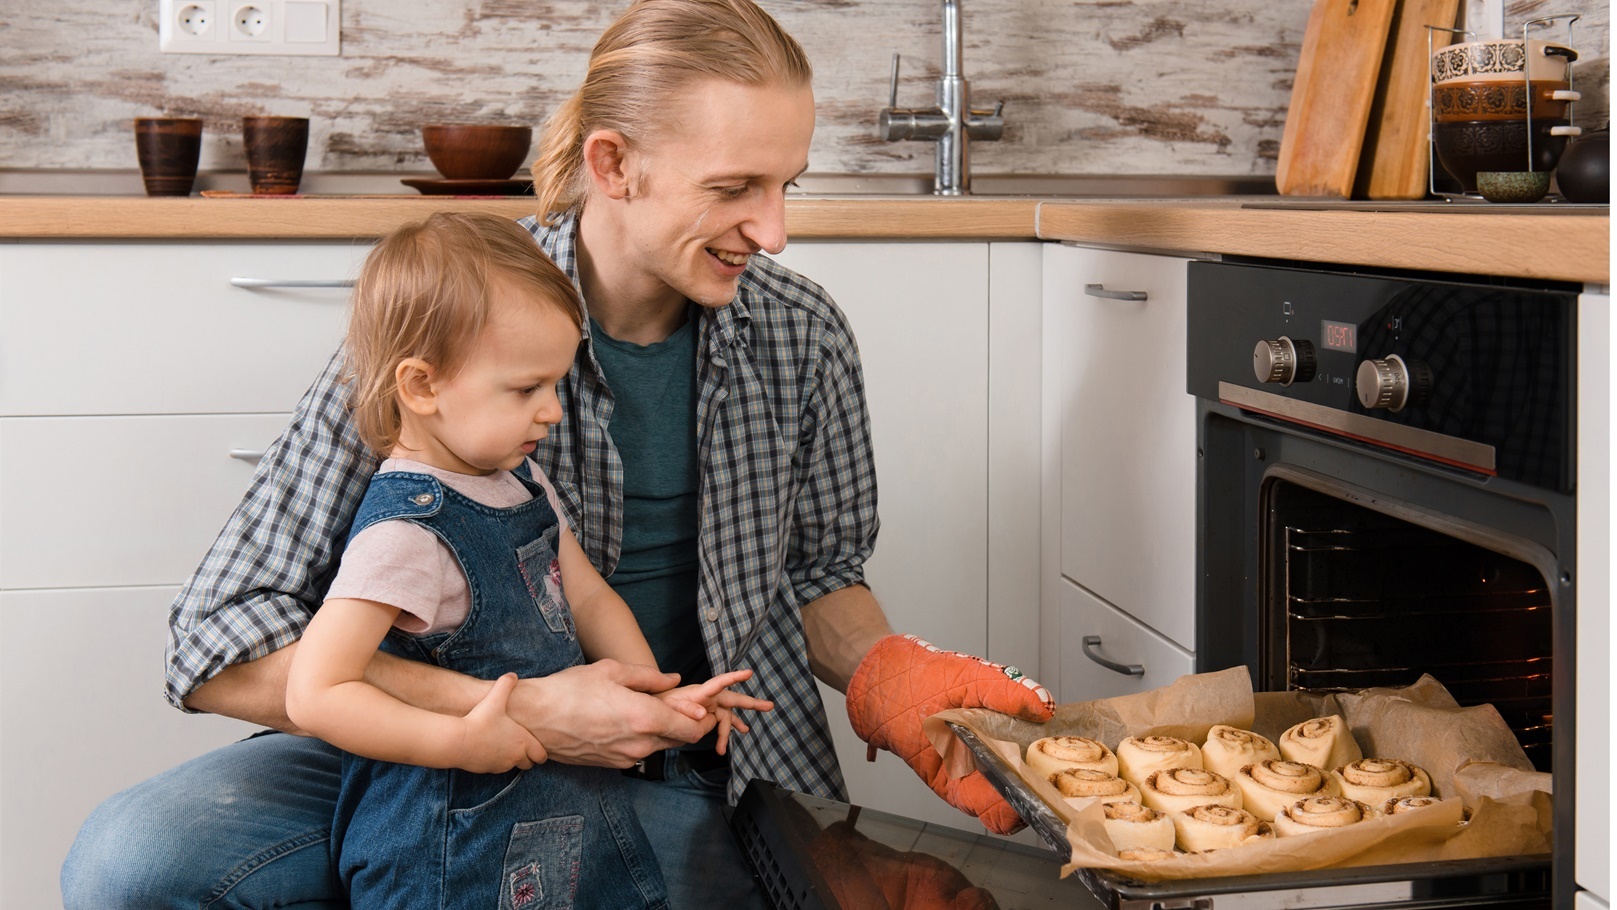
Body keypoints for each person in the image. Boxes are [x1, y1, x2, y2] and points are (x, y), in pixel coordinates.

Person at [61, 2, 1054, 908]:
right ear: (615, 165)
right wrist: (525, 711)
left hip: (705, 762)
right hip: (431, 764)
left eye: (786, 184)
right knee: (131, 858)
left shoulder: (802, 335)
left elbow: (821, 576)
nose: (777, 231)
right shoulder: (457, 321)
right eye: (735, 188)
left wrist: (891, 676)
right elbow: (215, 643)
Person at [285, 211, 768, 909]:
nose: (550, 412)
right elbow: (316, 690)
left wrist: (654, 696)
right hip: (447, 851)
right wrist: (457, 742)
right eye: (524, 390)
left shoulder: (516, 479)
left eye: (556, 384)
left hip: (553, 819)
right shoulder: (405, 533)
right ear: (420, 386)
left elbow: (590, 596)